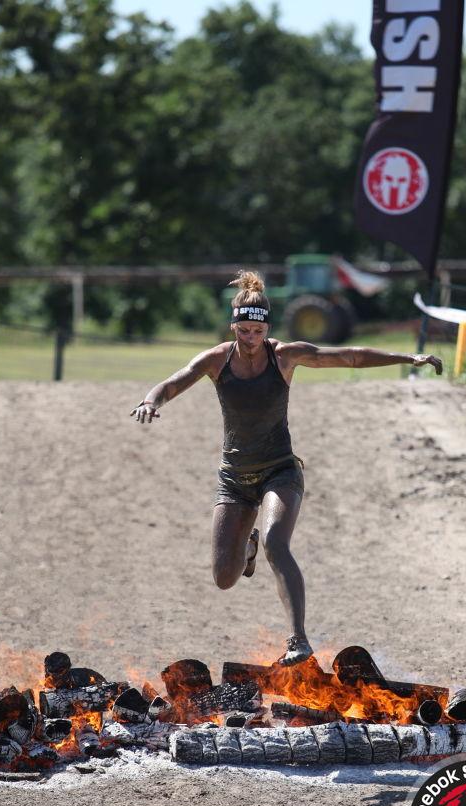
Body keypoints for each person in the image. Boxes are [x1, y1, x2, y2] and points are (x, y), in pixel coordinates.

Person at [131, 271, 442, 665]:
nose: (250, 339)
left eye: (257, 331)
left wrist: (408, 357)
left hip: (279, 470)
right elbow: (175, 382)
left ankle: (298, 640)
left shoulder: (284, 356)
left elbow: (349, 356)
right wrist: (151, 401)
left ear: (268, 329)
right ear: (233, 327)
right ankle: (246, 548)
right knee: (224, 578)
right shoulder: (217, 359)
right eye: (243, 331)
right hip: (234, 479)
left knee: (277, 543)